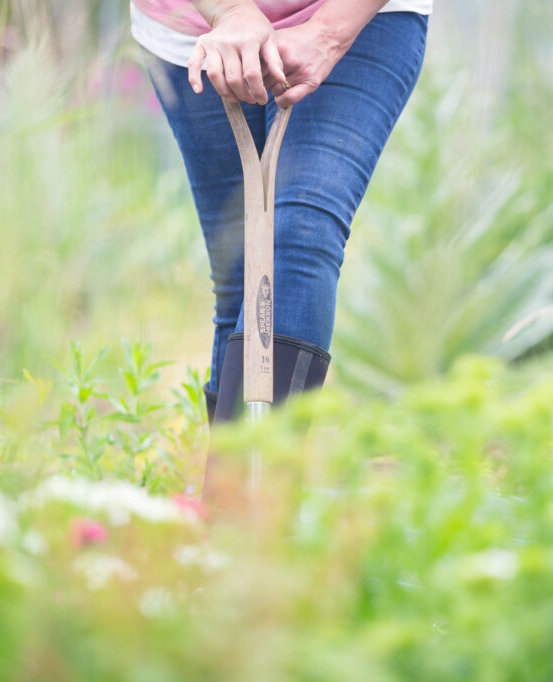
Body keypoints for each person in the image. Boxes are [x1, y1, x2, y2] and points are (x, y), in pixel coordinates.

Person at [131, 0, 430, 499]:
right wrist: (229, 13)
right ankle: (233, 544)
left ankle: (247, 529)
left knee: (298, 237)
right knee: (242, 278)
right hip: (195, 27)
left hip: (357, 17)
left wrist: (331, 32)